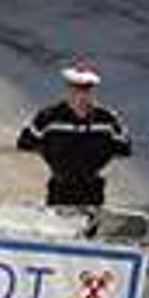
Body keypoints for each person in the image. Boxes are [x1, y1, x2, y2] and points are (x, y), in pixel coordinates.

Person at [17, 61, 131, 206]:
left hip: (92, 189)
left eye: (86, 89)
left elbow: (124, 148)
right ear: (68, 89)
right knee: (58, 227)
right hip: (60, 189)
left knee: (90, 227)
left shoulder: (107, 120)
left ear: (92, 91)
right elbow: (26, 143)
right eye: (76, 89)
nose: (81, 95)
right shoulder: (48, 118)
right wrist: (53, 157)